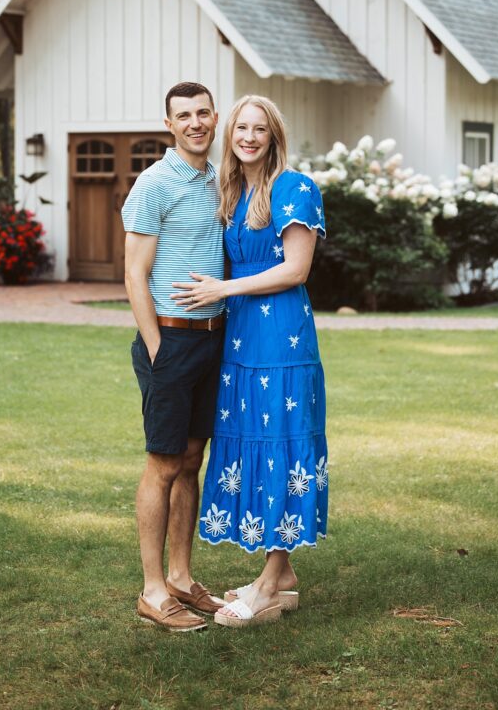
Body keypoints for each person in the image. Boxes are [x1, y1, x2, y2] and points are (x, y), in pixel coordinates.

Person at [171, 94, 328, 628]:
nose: (250, 137)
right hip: (240, 342)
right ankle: (279, 577)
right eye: (242, 127)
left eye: (261, 128)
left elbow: (296, 270)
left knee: (280, 442)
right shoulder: (232, 191)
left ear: (274, 135)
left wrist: (224, 287)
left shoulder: (295, 188)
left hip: (281, 340)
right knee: (248, 441)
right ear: (229, 133)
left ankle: (270, 580)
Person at [122, 81, 226, 632]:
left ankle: (183, 577)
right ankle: (152, 589)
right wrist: (159, 347)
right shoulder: (154, 183)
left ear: (215, 117)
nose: (194, 123)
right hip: (171, 339)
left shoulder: (218, 179)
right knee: (163, 463)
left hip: (213, 340)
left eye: (203, 113)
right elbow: (134, 274)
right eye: (183, 115)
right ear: (169, 124)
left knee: (192, 461)